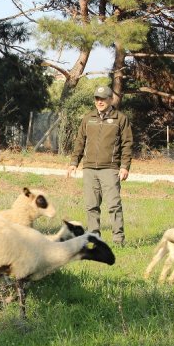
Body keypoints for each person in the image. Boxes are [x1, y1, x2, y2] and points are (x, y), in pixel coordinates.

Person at [67, 85, 133, 246]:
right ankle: (94, 239)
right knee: (91, 206)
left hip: (110, 169)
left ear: (111, 99)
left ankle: (118, 240)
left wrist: (125, 166)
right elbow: (80, 141)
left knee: (114, 205)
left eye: (103, 99)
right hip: (89, 168)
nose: (100, 101)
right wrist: (74, 162)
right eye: (97, 98)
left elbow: (127, 144)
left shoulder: (121, 119)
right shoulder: (88, 118)